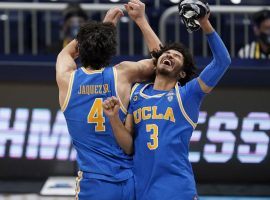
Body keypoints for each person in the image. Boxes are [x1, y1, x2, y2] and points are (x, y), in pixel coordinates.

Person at [103, 11, 231, 200]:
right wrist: (113, 118)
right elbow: (129, 147)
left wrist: (204, 22)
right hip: (143, 190)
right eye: (167, 53)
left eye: (176, 57)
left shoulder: (187, 94)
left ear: (181, 74)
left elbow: (222, 62)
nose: (169, 55)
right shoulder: (137, 92)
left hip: (177, 190)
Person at [56, 0, 161, 199]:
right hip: (130, 180)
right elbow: (163, 62)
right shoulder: (123, 73)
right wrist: (141, 20)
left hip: (94, 184)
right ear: (111, 50)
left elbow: (66, 52)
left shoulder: (67, 79)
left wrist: (104, 27)